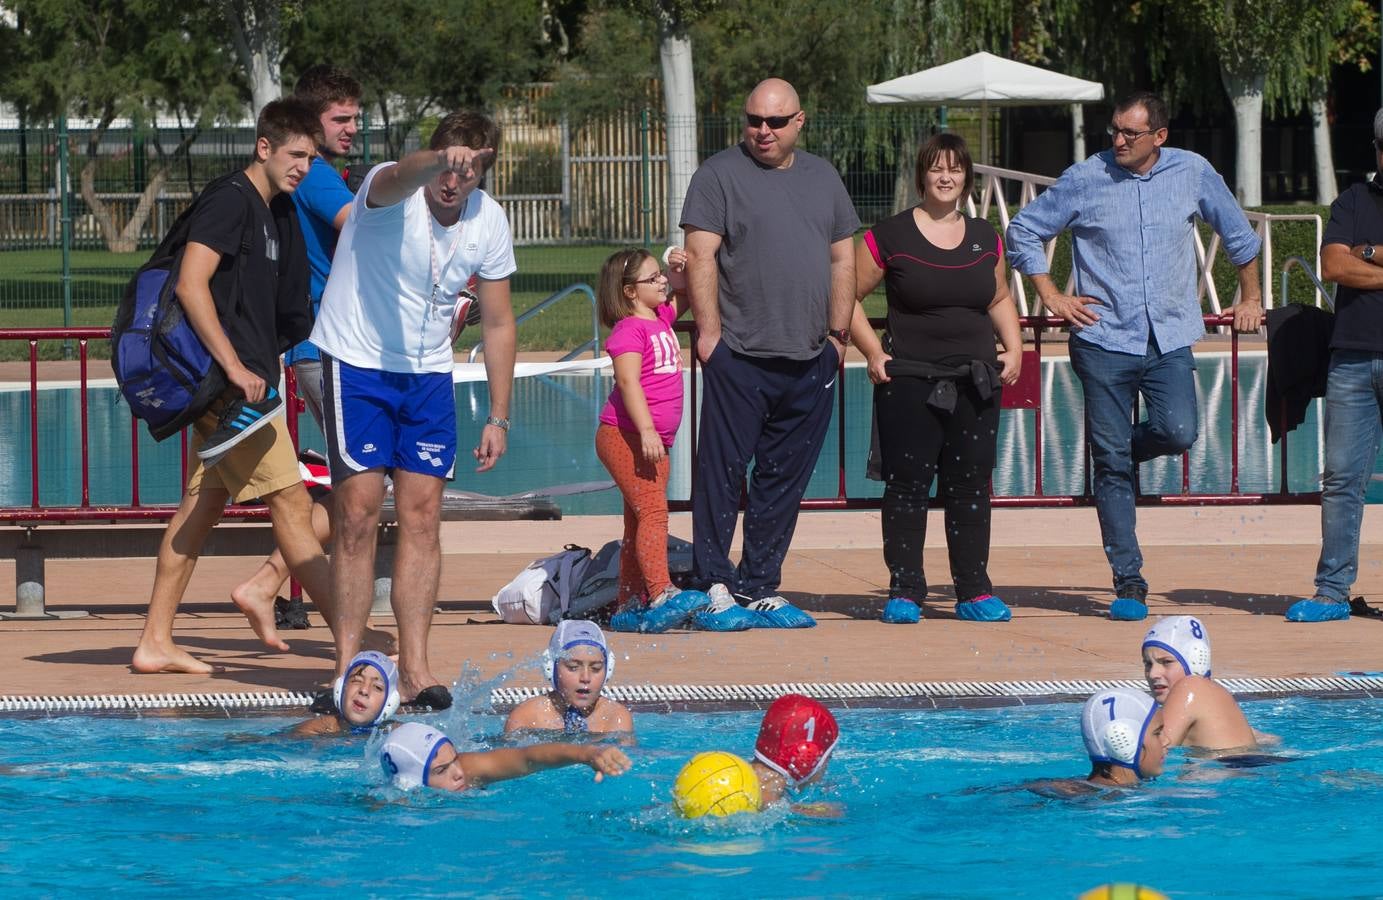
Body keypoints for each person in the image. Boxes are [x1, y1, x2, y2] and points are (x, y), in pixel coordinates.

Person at [1006, 91, 1263, 621]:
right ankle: (1129, 579)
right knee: (1113, 465)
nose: (1118, 140)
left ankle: (1112, 458)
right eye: (1114, 130)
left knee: (1178, 431)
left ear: (1159, 136)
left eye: (1130, 133)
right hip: (1103, 340)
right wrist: (1050, 294)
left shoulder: (1193, 172)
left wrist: (1252, 297)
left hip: (1168, 339)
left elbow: (1239, 235)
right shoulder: (1086, 177)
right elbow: (1023, 229)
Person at [310, 111, 517, 709]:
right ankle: (347, 667)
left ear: (484, 172)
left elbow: (498, 321)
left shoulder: (489, 219)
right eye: (447, 166)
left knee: (424, 518)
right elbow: (402, 173)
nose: (453, 182)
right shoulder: (390, 190)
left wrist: (498, 414)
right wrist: (436, 161)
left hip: (426, 373)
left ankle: (416, 669)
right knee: (357, 512)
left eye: (467, 171)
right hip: (357, 361)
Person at [130, 99, 332, 675]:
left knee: (199, 509)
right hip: (233, 390)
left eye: (311, 158)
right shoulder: (230, 200)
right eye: (296, 154)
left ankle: (155, 640)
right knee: (293, 505)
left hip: (241, 385)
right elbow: (191, 285)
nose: (303, 167)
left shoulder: (274, 210)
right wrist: (237, 368)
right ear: (264, 147)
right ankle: (353, 637)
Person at [679, 77, 859, 630]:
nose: (763, 130)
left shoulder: (823, 178)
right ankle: (712, 583)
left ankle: (758, 585)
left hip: (810, 359)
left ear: (799, 122)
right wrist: (710, 337)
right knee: (721, 474)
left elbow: (843, 260)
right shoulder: (718, 175)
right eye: (754, 119)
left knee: (783, 480)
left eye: (776, 122)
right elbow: (700, 256)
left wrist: (837, 339)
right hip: (739, 356)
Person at [849, 132, 1023, 625]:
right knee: (908, 488)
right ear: (922, 175)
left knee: (971, 488)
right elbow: (844, 297)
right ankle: (905, 590)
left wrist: (1014, 348)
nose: (946, 177)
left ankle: (974, 591)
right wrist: (873, 352)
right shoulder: (889, 235)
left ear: (967, 178)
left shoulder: (985, 236)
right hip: (910, 384)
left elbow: (998, 297)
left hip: (976, 383)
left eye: (955, 169)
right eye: (936, 168)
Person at [233, 64, 362, 631]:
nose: (352, 127)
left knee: (358, 481)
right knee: (361, 482)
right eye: (341, 118)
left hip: (323, 344)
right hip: (328, 347)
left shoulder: (309, 174)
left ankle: (276, 588)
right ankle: (268, 583)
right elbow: (361, 224)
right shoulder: (319, 176)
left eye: (356, 118)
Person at [1288, 108, 1383, 623]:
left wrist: (1364, 255)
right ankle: (1332, 593)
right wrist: (1366, 256)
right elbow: (1332, 265)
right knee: (1342, 480)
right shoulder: (1352, 201)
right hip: (1351, 359)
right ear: (1376, 149)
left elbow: (1350, 262)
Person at [583, 246, 702, 633]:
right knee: (653, 514)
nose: (662, 281)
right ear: (630, 291)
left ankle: (628, 604)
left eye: (660, 274)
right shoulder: (629, 330)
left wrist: (677, 267)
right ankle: (661, 592)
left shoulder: (659, 317)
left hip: (651, 440)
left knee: (638, 523)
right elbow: (628, 381)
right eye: (653, 278)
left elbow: (684, 293)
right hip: (626, 436)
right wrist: (648, 429)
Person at [379, 722, 632, 792]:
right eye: (441, 770)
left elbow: (527, 758)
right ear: (411, 783)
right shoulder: (399, 803)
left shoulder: (468, 769)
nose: (458, 772)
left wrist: (587, 753)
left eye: (455, 759)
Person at [1141, 615, 1259, 752]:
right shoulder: (1213, 698)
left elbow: (1149, 752)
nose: (1153, 674)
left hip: (1228, 765)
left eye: (1166, 662)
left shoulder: (1191, 687)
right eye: (1148, 664)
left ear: (1195, 661)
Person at [503, 621, 632, 734]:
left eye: (596, 668)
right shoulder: (526, 718)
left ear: (608, 670)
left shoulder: (616, 718)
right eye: (573, 667)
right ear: (550, 668)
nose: (585, 678)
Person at [749, 693, 840, 806]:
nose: (826, 766)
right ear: (807, 756)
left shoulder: (735, 777)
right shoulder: (774, 808)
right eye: (828, 757)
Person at [292, 650, 401, 736]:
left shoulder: (398, 733)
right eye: (357, 681)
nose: (364, 690)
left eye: (377, 687)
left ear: (390, 701)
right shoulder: (312, 730)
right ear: (341, 688)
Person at [1081, 687, 1169, 787]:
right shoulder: (1111, 795)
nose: (1167, 741)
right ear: (1122, 739)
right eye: (1157, 733)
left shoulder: (1084, 787)